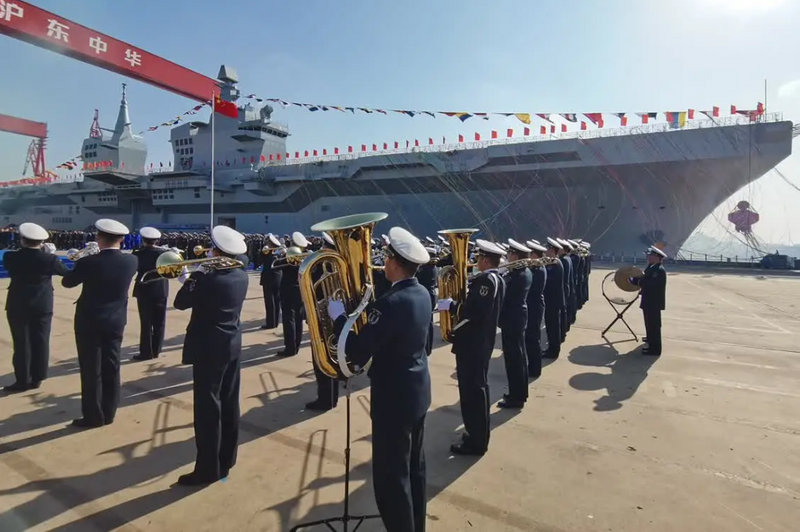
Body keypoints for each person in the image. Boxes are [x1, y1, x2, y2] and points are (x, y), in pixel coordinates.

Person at [327, 226, 432, 532]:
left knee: (391, 477)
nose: (382, 263)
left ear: (395, 262)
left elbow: (357, 351)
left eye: (386, 258)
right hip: (418, 392)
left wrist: (337, 318)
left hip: (393, 399)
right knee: (415, 468)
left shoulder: (390, 304)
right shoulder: (422, 293)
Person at [174, 225, 250, 485]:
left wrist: (194, 275)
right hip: (232, 344)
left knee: (207, 410)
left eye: (211, 249)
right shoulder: (241, 274)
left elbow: (180, 302)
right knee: (229, 403)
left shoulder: (207, 279)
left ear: (217, 251)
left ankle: (207, 470)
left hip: (208, 348)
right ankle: (226, 459)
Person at [62, 219, 138, 428]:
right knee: (112, 366)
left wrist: (83, 258)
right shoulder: (131, 262)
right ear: (122, 239)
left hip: (89, 321)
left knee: (90, 369)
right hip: (116, 320)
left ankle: (93, 416)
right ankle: (109, 411)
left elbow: (67, 282)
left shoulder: (88, 262)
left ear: (98, 237)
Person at [439, 239, 506, 456]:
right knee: (478, 389)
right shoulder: (496, 279)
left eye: (478, 258)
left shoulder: (487, 281)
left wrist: (453, 306)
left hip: (473, 343)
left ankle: (476, 441)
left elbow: (476, 313)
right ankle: (477, 434)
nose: (476, 261)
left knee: (472, 393)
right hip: (480, 342)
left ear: (486, 260)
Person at [3, 223, 69, 392]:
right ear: (42, 242)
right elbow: (66, 274)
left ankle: (22, 380)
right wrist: (50, 255)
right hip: (42, 305)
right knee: (41, 341)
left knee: (22, 344)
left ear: (23, 240)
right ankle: (38, 377)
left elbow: (15, 264)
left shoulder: (10, 257)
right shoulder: (50, 259)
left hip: (18, 304)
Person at [306, 231, 340, 411]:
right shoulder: (338, 264)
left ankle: (325, 399)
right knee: (333, 356)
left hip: (322, 316)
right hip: (337, 314)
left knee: (321, 358)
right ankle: (332, 397)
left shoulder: (318, 266)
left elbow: (309, 288)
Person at [497, 239, 532, 408]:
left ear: (515, 255)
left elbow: (504, 296)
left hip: (512, 319)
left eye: (510, 254)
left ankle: (516, 397)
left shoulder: (517, 275)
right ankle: (519, 393)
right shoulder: (523, 272)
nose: (508, 256)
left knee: (514, 359)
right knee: (518, 357)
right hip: (516, 317)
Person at [131, 226, 168, 361]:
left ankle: (146, 352)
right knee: (160, 321)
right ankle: (157, 350)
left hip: (144, 290)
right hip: (161, 289)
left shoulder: (138, 253)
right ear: (157, 240)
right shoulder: (164, 254)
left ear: (143, 239)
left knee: (146, 323)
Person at [631, 246, 667, 356]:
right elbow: (644, 278)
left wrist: (636, 282)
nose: (648, 257)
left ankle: (655, 349)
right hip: (648, 300)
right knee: (649, 323)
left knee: (654, 325)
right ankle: (651, 340)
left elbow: (650, 284)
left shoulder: (658, 270)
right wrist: (634, 279)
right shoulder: (651, 267)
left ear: (657, 257)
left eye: (650, 255)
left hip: (653, 302)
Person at [277, 231, 308, 357]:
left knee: (288, 318)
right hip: (300, 289)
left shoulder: (289, 255)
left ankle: (290, 348)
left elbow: (277, 266)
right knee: (298, 318)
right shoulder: (304, 257)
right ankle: (296, 345)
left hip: (288, 290)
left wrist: (283, 255)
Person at [525, 241, 548, 379]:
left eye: (529, 254)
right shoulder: (536, 268)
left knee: (532, 339)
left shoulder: (537, 269)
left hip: (534, 307)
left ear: (534, 254)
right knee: (531, 338)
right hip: (534, 306)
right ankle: (533, 367)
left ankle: (534, 369)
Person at [543, 238, 565, 359]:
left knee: (553, 327)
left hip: (553, 301)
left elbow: (548, 282)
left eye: (547, 249)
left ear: (552, 250)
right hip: (552, 300)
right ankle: (551, 348)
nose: (545, 251)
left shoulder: (555, 264)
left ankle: (553, 351)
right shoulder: (553, 262)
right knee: (551, 326)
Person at [415, 247, 438, 356]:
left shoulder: (427, 268)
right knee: (429, 322)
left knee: (426, 323)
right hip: (430, 295)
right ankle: (427, 348)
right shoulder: (432, 267)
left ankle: (426, 348)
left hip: (427, 295)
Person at [259, 234, 283, 330]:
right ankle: (276, 321)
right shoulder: (279, 254)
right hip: (278, 279)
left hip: (268, 279)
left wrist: (263, 251)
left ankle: (270, 323)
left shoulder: (268, 254)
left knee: (269, 302)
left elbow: (260, 260)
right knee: (277, 301)